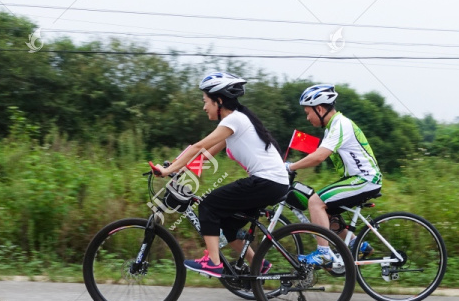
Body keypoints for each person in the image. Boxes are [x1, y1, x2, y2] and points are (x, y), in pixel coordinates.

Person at [154, 72, 289, 277]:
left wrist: (167, 170)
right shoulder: (237, 123)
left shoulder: (234, 120)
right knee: (227, 222)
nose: (204, 107)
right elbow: (206, 154)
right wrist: (181, 169)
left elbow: (199, 145)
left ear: (219, 101)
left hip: (266, 181)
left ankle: (213, 262)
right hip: (272, 183)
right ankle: (258, 264)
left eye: (205, 101)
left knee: (209, 204)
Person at [286, 84, 382, 265]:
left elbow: (319, 156)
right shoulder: (332, 127)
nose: (307, 118)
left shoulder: (340, 124)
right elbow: (317, 153)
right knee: (327, 213)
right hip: (357, 179)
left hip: (364, 180)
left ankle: (323, 253)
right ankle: (357, 244)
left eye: (308, 112)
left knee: (315, 202)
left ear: (320, 109)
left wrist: (290, 167)